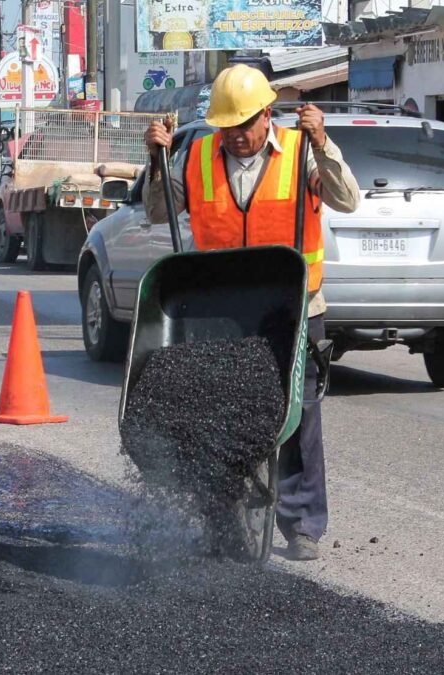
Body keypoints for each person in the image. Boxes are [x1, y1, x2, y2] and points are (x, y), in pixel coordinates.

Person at [142, 64, 361, 561]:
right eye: (228, 127)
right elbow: (159, 211)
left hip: (295, 307)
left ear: (268, 115)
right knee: (213, 414)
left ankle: (302, 524)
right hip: (219, 310)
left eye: (245, 124)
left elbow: (346, 199)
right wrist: (155, 159)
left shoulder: (301, 153)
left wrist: (323, 143)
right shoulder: (196, 156)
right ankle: (220, 514)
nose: (237, 136)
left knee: (299, 415)